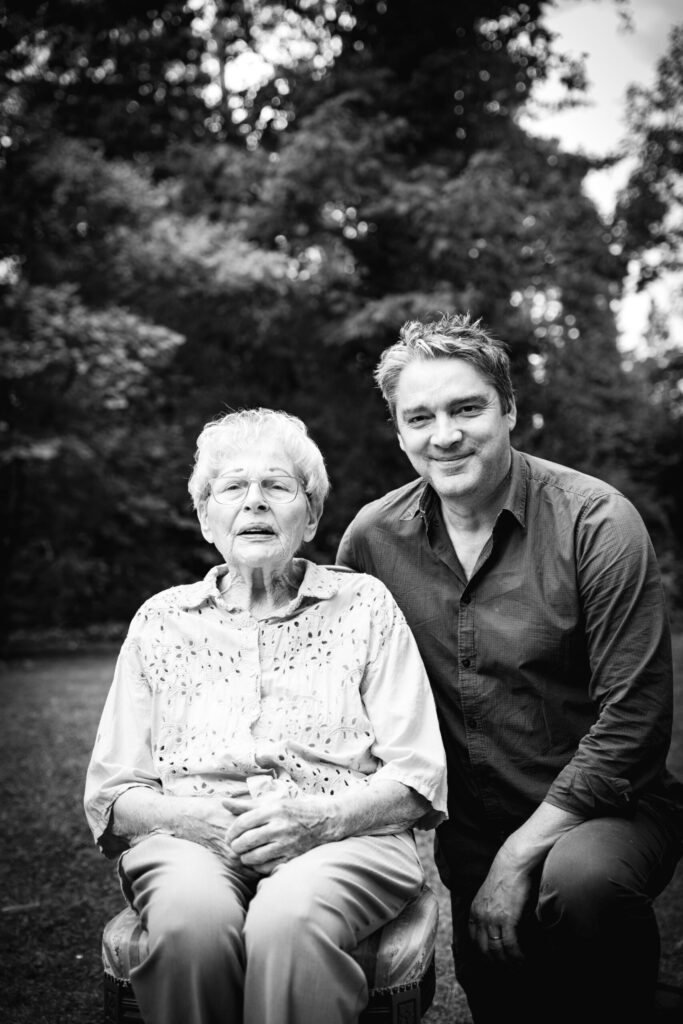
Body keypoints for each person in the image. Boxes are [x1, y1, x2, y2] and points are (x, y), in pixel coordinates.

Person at [337, 312, 683, 1024]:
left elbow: (635, 724)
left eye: (467, 408)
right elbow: (335, 692)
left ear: (509, 411)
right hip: (471, 832)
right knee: (519, 1004)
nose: (445, 434)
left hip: (611, 811)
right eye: (420, 417)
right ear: (399, 433)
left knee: (579, 890)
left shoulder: (595, 523)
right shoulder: (372, 540)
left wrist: (518, 856)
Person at [84, 408, 448, 1024]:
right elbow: (114, 795)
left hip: (347, 833)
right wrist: (197, 820)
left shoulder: (363, 605)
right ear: (206, 518)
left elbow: (417, 777)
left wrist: (320, 820)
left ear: (310, 517)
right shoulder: (161, 621)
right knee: (193, 922)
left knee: (291, 919)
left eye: (278, 486)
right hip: (193, 838)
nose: (255, 502)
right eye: (232, 488)